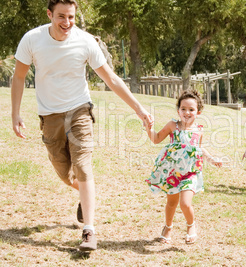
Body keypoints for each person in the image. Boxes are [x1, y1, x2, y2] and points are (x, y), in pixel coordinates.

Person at [11, 0, 153, 251]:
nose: (67, 23)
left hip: (79, 111)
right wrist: (15, 113)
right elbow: (19, 76)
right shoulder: (32, 39)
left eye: (71, 17)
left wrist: (139, 109)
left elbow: (111, 78)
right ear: (49, 14)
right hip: (50, 116)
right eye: (61, 17)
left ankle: (89, 231)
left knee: (83, 166)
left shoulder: (85, 41)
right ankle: (84, 195)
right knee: (64, 173)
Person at [144, 89, 222, 244]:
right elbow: (156, 138)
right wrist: (148, 128)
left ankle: (190, 226)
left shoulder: (198, 131)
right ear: (178, 110)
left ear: (198, 112)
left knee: (185, 203)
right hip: (172, 172)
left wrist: (211, 159)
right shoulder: (173, 125)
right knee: (171, 203)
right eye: (183, 109)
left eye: (191, 109)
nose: (187, 112)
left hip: (190, 172)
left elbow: (199, 149)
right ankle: (168, 227)